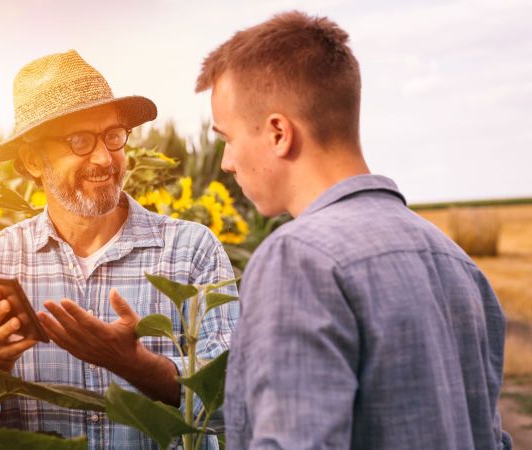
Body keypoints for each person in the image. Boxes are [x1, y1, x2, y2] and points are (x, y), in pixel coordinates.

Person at [195, 10, 512, 450]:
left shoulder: (299, 258)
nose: (227, 162)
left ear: (278, 134)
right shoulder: (457, 262)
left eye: (227, 137)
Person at [0, 50, 238, 449]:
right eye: (80, 141)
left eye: (112, 135)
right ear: (33, 161)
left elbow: (237, 401)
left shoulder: (191, 250)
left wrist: (136, 365)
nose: (105, 157)